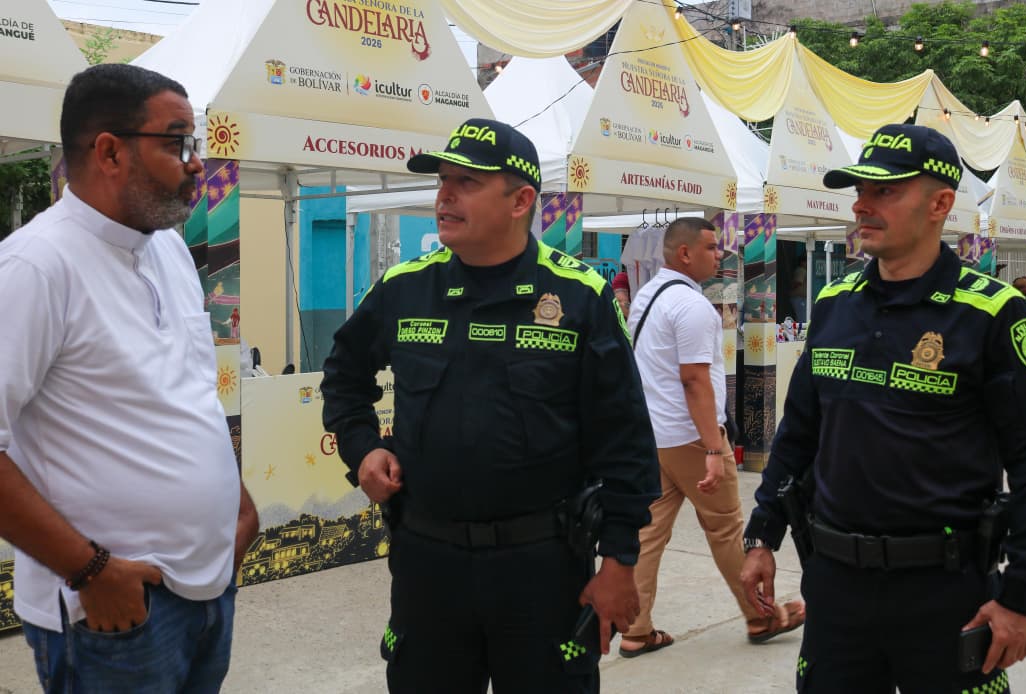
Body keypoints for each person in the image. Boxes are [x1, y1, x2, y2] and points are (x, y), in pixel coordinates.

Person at [321, 118, 659, 694]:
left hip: (543, 571)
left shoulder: (579, 296)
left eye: (467, 183)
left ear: (520, 200)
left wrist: (619, 561)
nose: (445, 196)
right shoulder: (405, 288)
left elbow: (624, 436)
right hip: (428, 565)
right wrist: (363, 448)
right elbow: (344, 374)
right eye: (442, 181)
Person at [740, 123, 1026, 692]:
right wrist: (762, 536)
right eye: (861, 190)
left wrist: (1024, 594)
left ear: (940, 204)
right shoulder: (835, 302)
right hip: (835, 587)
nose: (862, 205)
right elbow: (799, 433)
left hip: (946, 591)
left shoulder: (992, 312)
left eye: (886, 191)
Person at [0, 63, 258, 691]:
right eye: (177, 143)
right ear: (110, 152)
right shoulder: (35, 268)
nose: (197, 163)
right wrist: (91, 572)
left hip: (205, 588)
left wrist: (237, 502)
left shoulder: (166, 246)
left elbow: (185, 393)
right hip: (112, 609)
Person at [619, 218, 804, 658]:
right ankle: (761, 616)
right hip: (690, 436)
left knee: (648, 533)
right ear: (685, 254)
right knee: (726, 529)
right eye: (710, 247)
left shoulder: (647, 295)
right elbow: (695, 380)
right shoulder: (693, 306)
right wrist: (713, 447)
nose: (719, 255)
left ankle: (635, 629)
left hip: (654, 435)